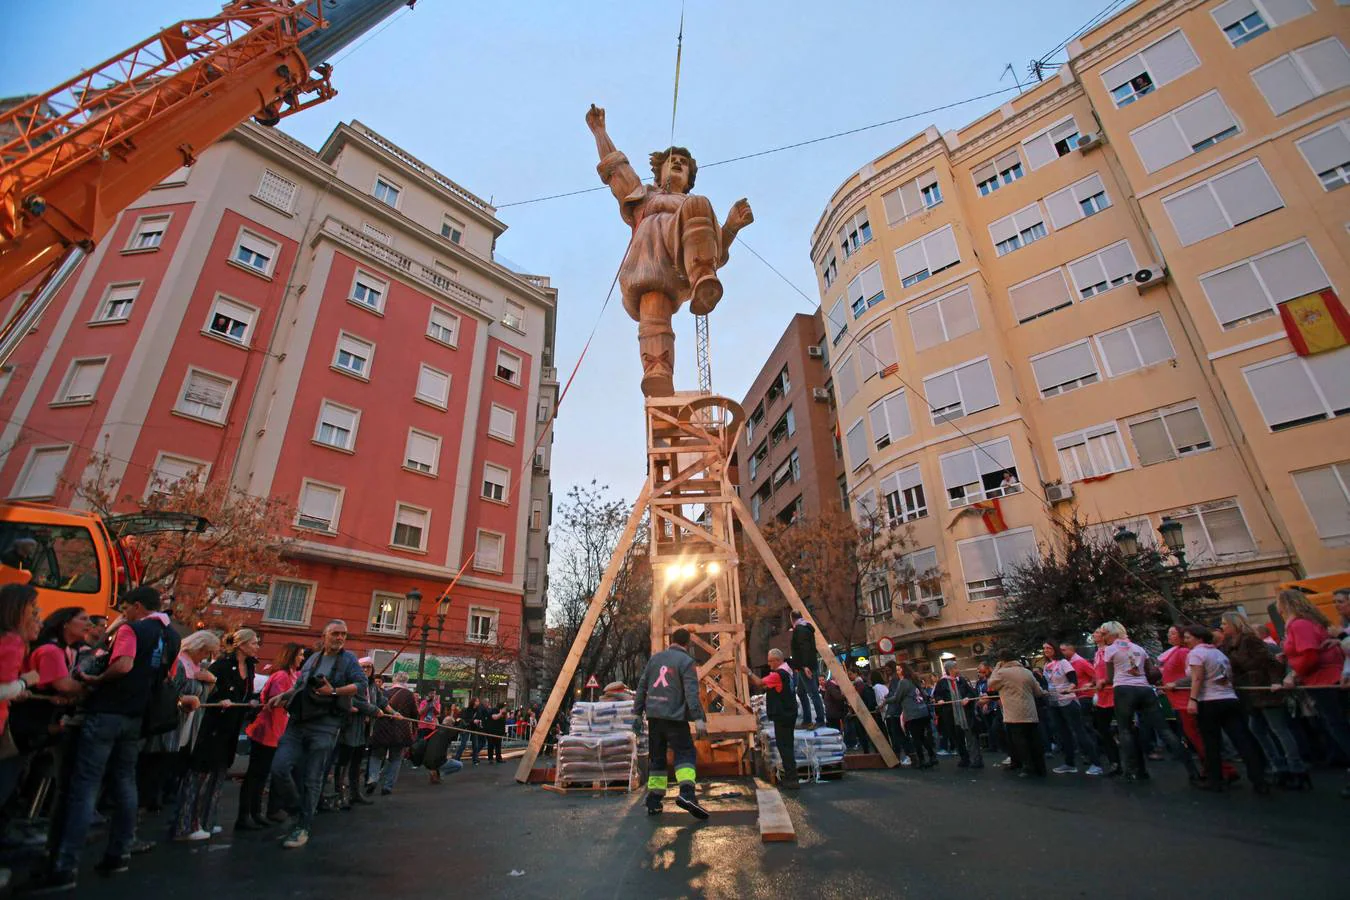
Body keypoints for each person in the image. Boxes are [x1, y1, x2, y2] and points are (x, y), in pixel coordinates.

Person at [585, 103, 753, 395]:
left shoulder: (692, 204)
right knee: (652, 309)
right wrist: (600, 131)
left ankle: (702, 282)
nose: (677, 163)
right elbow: (616, 168)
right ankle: (657, 371)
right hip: (649, 268)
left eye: (683, 163)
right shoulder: (643, 196)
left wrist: (730, 228)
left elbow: (713, 248)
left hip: (680, 263)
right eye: (672, 160)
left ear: (689, 178)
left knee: (698, 205)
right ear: (659, 171)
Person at [36, 586, 177, 891]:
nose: (123, 613)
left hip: (107, 712)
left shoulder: (132, 629)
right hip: (137, 716)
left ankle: (65, 864)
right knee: (126, 782)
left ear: (138, 606)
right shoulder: (171, 636)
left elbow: (123, 665)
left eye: (126, 607)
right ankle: (120, 851)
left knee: (83, 786)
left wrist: (97, 679)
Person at [268, 619, 367, 849]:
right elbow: (301, 686)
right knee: (279, 767)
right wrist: (282, 696)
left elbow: (360, 685)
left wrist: (333, 690)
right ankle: (298, 809)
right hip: (299, 721)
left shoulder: (349, 659)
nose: (340, 638)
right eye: (335, 633)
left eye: (344, 634)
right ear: (325, 635)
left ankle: (303, 825)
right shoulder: (313, 658)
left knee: (313, 777)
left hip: (326, 724)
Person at [172, 628, 257, 841]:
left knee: (218, 774)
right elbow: (205, 691)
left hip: (231, 726)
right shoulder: (221, 665)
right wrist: (218, 697)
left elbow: (244, 692)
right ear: (242, 645)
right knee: (200, 775)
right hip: (212, 727)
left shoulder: (250, 667)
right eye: (254, 642)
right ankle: (188, 823)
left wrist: (250, 702)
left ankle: (208, 820)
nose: (257, 646)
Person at [1100, 621, 1198, 783]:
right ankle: (1192, 769)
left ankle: (1131, 771)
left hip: (1124, 689)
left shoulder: (1110, 650)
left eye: (1105, 634)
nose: (1103, 637)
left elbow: (1110, 678)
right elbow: (1150, 672)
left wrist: (1103, 682)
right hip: (1145, 689)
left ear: (1113, 633)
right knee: (1165, 730)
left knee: (1125, 730)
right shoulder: (1138, 648)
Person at [1216, 612, 1304, 788]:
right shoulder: (1228, 645)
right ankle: (1278, 766)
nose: (1222, 627)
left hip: (1264, 689)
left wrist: (1275, 682)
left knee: (1279, 729)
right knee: (1257, 729)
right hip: (1249, 692)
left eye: (1225, 623)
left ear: (1235, 624)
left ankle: (1296, 769)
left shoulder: (1249, 640)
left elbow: (1269, 662)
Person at [1276, 589, 1350, 796]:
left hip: (1323, 680)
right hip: (1326, 678)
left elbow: (1309, 655)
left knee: (1339, 728)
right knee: (1338, 726)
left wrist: (1294, 674)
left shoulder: (1299, 625)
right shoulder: (1309, 622)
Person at [1182, 624, 1268, 794]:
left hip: (1209, 700)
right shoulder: (1218, 653)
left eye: (1188, 637)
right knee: (1242, 740)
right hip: (1229, 698)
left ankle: (1216, 780)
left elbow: (1197, 678)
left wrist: (1193, 699)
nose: (1186, 640)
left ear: (1198, 638)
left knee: (1211, 743)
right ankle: (1259, 779)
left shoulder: (1197, 653)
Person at [634, 628, 709, 817]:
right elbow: (691, 693)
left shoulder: (655, 659)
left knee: (657, 757)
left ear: (672, 640)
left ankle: (654, 800)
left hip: (654, 717)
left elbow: (642, 686)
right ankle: (687, 794)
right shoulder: (686, 662)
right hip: (675, 718)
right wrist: (699, 718)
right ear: (688, 643)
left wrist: (636, 713)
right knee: (685, 753)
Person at [240, 642, 304, 829]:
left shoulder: (294, 676)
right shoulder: (281, 676)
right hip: (268, 730)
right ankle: (247, 814)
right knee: (256, 775)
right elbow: (278, 701)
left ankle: (258, 812)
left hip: (280, 731)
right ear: (291, 656)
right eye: (299, 654)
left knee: (265, 774)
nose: (302, 658)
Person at [1042, 642, 1102, 776]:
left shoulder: (1063, 663)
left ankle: (1096, 763)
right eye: (1044, 648)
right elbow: (1047, 682)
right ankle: (1069, 763)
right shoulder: (1046, 665)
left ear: (1054, 649)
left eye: (1049, 648)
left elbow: (1073, 680)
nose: (1046, 650)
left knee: (1079, 731)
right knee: (1063, 733)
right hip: (1054, 701)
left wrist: (1070, 688)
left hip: (1068, 700)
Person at [984, 650, 1046, 777]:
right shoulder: (1026, 672)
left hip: (1013, 713)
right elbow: (1038, 691)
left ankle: (1027, 767)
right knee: (1033, 740)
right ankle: (1040, 767)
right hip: (1030, 712)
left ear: (1002, 660)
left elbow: (991, 684)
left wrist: (996, 667)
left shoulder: (1002, 673)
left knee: (1019, 741)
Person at [334, 657, 385, 808]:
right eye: (362, 667)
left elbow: (382, 701)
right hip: (349, 727)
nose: (365, 670)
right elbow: (355, 701)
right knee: (343, 762)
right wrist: (374, 710)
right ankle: (340, 795)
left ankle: (355, 793)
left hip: (364, 729)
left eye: (368, 667)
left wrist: (395, 713)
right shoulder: (352, 683)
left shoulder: (373, 686)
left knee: (357, 763)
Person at [745, 648, 799, 790]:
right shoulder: (788, 671)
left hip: (782, 715)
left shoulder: (778, 675)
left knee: (784, 746)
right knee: (788, 744)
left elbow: (759, 683)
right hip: (789, 713)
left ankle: (791, 778)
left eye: (770, 661)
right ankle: (792, 776)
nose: (769, 664)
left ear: (777, 660)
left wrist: (748, 672)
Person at [367, 671, 417, 796]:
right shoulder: (409, 695)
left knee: (376, 756)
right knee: (395, 759)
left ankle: (373, 778)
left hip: (382, 728)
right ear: (406, 681)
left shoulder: (384, 692)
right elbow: (414, 714)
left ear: (394, 680)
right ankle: (388, 786)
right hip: (400, 730)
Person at [933, 661, 982, 769]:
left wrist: (967, 698)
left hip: (966, 714)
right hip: (952, 716)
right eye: (955, 668)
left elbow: (972, 692)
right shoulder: (942, 683)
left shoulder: (962, 680)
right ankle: (964, 759)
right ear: (950, 670)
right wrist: (940, 700)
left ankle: (976, 760)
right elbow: (937, 695)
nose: (957, 669)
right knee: (957, 739)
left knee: (971, 737)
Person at [891, 663, 936, 768]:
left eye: (898, 670)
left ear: (903, 671)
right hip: (922, 711)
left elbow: (897, 698)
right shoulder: (914, 680)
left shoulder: (903, 682)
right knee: (922, 736)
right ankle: (932, 756)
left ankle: (922, 760)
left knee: (916, 738)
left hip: (913, 713)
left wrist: (885, 701)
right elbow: (923, 694)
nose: (897, 672)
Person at [789, 613, 825, 730]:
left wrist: (804, 666)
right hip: (807, 665)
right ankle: (807, 719)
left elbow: (803, 648)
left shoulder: (799, 630)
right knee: (801, 692)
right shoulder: (806, 628)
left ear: (792, 619)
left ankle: (819, 720)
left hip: (805, 667)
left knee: (813, 693)